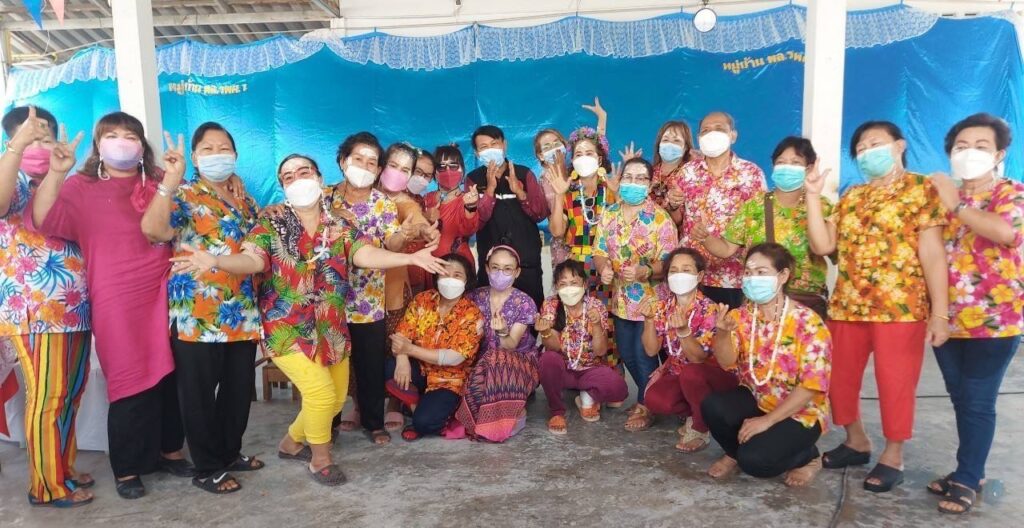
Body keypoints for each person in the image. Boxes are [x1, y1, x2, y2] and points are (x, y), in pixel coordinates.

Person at [171, 153, 447, 486]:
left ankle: (290, 443)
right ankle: (320, 459)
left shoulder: (340, 225)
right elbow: (252, 261)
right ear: (283, 186)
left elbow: (364, 253)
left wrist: (409, 258)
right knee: (320, 394)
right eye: (288, 176)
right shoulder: (270, 224)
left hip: (332, 328)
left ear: (319, 178)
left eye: (304, 172)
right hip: (286, 329)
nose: (297, 179)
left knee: (336, 397)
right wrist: (216, 261)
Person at [32, 111, 193, 500]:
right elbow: (42, 219)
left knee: (172, 373)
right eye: (113, 135)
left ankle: (170, 451)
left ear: (142, 145)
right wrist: (56, 173)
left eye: (131, 135)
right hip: (115, 295)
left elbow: (189, 222)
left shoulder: (161, 180)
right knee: (127, 377)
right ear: (98, 146)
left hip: (166, 288)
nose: (122, 142)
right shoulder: (80, 186)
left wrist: (173, 180)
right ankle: (128, 467)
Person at [806, 120, 949, 493]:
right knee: (838, 380)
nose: (868, 152)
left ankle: (893, 455)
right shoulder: (853, 195)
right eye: (861, 148)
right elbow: (822, 246)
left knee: (894, 383)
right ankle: (856, 440)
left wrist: (940, 312)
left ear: (899, 146)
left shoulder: (921, 189)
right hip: (847, 305)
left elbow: (933, 254)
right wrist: (812, 197)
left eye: (875, 144)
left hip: (900, 308)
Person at [140, 122, 263, 494]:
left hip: (240, 311)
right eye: (207, 149)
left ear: (235, 155)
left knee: (238, 391)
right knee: (198, 395)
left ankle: (229, 452)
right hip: (197, 312)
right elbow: (153, 230)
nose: (216, 154)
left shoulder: (245, 199)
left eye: (223, 148)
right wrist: (169, 180)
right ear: (194, 157)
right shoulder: (184, 194)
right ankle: (207, 467)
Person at [925, 114, 1024, 515]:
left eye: (981, 146)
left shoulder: (1011, 193)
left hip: (995, 321)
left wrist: (956, 202)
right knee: (961, 398)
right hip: (946, 318)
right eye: (961, 146)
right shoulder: (938, 199)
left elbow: (1005, 233)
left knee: (978, 401)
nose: (969, 153)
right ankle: (970, 469)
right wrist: (936, 313)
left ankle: (967, 478)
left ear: (999, 154)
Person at [0, 106, 93, 506]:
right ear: (12, 139)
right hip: (36, 311)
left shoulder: (66, 180)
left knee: (70, 394)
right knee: (48, 397)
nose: (38, 144)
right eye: (28, 136)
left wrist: (58, 171)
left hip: (77, 308)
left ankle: (62, 468)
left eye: (45, 136)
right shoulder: (12, 177)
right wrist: (16, 150)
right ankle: (46, 486)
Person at [324, 132, 431, 445]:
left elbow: (392, 243)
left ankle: (373, 422)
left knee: (369, 362)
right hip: (328, 298)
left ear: (378, 169)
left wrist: (405, 235)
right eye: (358, 159)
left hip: (369, 298)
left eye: (372, 162)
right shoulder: (324, 197)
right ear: (343, 161)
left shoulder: (383, 203)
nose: (364, 166)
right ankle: (326, 424)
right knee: (331, 362)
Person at [703, 243, 831, 487]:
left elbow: (811, 386)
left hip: (800, 412)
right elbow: (727, 362)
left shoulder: (808, 322)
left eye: (761, 272)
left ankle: (809, 457)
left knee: (755, 461)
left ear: (783, 276)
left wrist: (768, 421)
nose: (753, 279)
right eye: (748, 273)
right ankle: (733, 453)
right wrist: (722, 334)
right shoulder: (740, 316)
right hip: (758, 398)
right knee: (713, 407)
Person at [701, 136, 831, 318]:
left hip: (806, 303)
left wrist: (813, 195)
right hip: (760, 300)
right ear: (773, 166)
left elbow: (825, 249)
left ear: (808, 168)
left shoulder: (822, 205)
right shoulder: (754, 205)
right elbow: (726, 249)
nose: (787, 167)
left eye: (795, 162)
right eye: (781, 162)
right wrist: (704, 237)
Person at [592, 157, 678, 432]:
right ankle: (648, 395)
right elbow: (599, 251)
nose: (633, 182)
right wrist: (604, 268)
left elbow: (670, 263)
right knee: (627, 354)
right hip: (621, 301)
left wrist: (646, 270)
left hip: (651, 302)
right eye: (628, 177)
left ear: (650, 184)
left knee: (644, 356)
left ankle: (646, 404)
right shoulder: (610, 213)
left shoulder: (661, 219)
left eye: (641, 178)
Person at [640, 248, 736, 452]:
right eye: (673, 271)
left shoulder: (710, 309)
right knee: (654, 398)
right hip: (679, 373)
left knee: (692, 373)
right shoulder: (663, 307)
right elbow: (651, 350)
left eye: (686, 270)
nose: (679, 275)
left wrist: (684, 331)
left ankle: (700, 429)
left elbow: (698, 358)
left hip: (711, 376)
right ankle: (696, 412)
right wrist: (648, 320)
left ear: (699, 276)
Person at [385, 254, 484, 440]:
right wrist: (402, 359)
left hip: (450, 380)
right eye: (445, 274)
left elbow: (454, 357)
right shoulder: (423, 300)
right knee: (390, 366)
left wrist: (409, 350)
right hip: (421, 370)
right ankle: (417, 402)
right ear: (437, 276)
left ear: (467, 280)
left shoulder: (472, 313)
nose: (450, 279)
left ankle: (416, 407)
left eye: (457, 275)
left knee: (424, 422)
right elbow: (401, 335)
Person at [376, 142, 440, 430]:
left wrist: (427, 231)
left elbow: (418, 220)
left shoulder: (405, 201)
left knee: (393, 343)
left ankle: (394, 401)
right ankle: (361, 403)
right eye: (393, 166)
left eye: (406, 170)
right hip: (356, 289)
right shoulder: (359, 195)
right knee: (359, 348)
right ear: (381, 165)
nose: (398, 173)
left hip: (392, 286)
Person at [675, 112, 766, 309]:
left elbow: (759, 227)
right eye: (705, 130)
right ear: (699, 138)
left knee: (729, 328)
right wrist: (673, 204)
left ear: (733, 135)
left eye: (719, 129)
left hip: (733, 278)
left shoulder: (751, 174)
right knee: (688, 327)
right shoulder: (687, 172)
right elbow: (677, 218)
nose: (711, 134)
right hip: (691, 276)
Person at [458, 246, 540, 442]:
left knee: (497, 356)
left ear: (517, 272)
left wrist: (502, 331)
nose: (500, 273)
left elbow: (510, 345)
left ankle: (508, 416)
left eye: (507, 269)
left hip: (519, 363)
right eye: (495, 267)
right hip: (481, 365)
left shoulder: (524, 302)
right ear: (487, 268)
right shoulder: (473, 298)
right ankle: (498, 415)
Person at [536, 260, 626, 434]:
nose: (569, 288)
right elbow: (553, 347)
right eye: (563, 284)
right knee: (548, 359)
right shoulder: (551, 305)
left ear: (584, 284)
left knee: (619, 390)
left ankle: (587, 395)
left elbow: (600, 351)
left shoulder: (595, 306)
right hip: (564, 371)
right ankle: (557, 411)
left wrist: (597, 325)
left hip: (590, 369)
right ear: (556, 286)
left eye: (574, 283)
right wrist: (546, 332)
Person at [466, 125, 550, 309]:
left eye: (494, 144)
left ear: (504, 145)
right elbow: (475, 222)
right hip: (491, 268)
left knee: (531, 315)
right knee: (489, 318)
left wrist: (520, 192)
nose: (490, 150)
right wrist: (490, 190)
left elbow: (540, 214)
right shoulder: (473, 180)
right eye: (484, 147)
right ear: (477, 153)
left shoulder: (524, 173)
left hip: (526, 267)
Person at [536, 97, 610, 269]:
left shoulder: (575, 171)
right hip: (564, 241)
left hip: (595, 241)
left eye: (556, 143)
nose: (553, 149)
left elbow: (594, 149)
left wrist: (602, 120)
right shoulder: (541, 182)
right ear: (540, 155)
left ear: (564, 146)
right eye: (547, 147)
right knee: (569, 280)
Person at [422, 144, 479, 278]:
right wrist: (425, 217)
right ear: (434, 173)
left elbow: (469, 230)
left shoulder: (467, 199)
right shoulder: (426, 199)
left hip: (457, 267)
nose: (447, 171)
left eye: (453, 166)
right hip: (428, 265)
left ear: (463, 170)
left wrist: (471, 207)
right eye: (441, 167)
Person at [649, 120, 697, 211]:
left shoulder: (691, 176)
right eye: (665, 140)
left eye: (676, 141)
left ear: (686, 147)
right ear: (659, 145)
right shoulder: (650, 172)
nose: (669, 144)